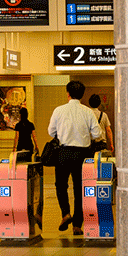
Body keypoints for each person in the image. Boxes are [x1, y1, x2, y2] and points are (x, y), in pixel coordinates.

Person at [47, 81, 103, 235]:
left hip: (63, 153)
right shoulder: (87, 112)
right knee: (80, 189)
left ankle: (65, 213)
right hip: (82, 155)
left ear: (68, 93)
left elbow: (51, 132)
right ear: (82, 95)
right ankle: (77, 224)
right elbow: (98, 134)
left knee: (61, 185)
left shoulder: (59, 110)